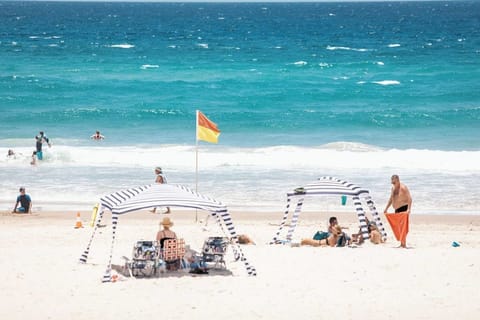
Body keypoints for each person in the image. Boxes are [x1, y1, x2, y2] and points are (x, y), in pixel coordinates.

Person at [384, 174, 412, 248]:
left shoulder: (403, 188)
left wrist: (409, 209)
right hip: (396, 209)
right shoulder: (393, 188)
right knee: (398, 226)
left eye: (394, 182)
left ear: (398, 180)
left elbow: (409, 198)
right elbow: (391, 199)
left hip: (403, 208)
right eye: (392, 183)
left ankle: (404, 244)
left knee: (402, 226)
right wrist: (386, 208)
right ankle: (401, 243)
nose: (393, 184)